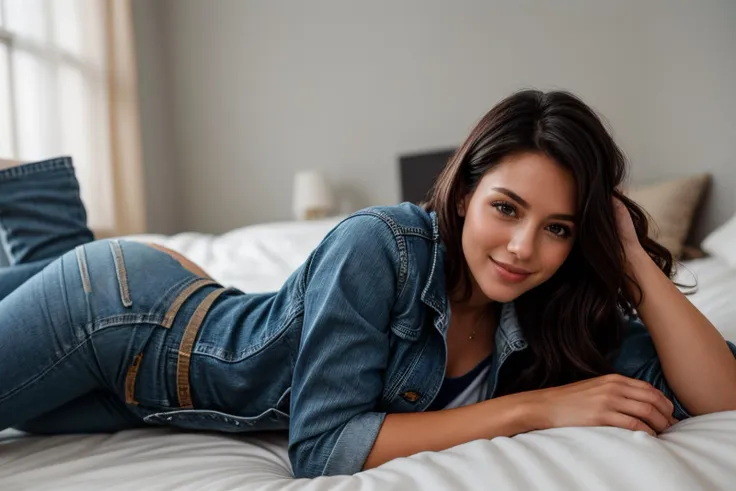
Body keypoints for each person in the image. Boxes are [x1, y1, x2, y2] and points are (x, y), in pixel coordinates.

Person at [1, 90, 735, 480]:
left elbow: (722, 398)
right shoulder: (381, 245)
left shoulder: (557, 316)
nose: (522, 248)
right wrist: (534, 408)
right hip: (117, 320)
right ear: (463, 195)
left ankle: (41, 219)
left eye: (559, 227)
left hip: (152, 389)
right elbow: (323, 447)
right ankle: (59, 233)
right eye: (506, 209)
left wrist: (633, 256)